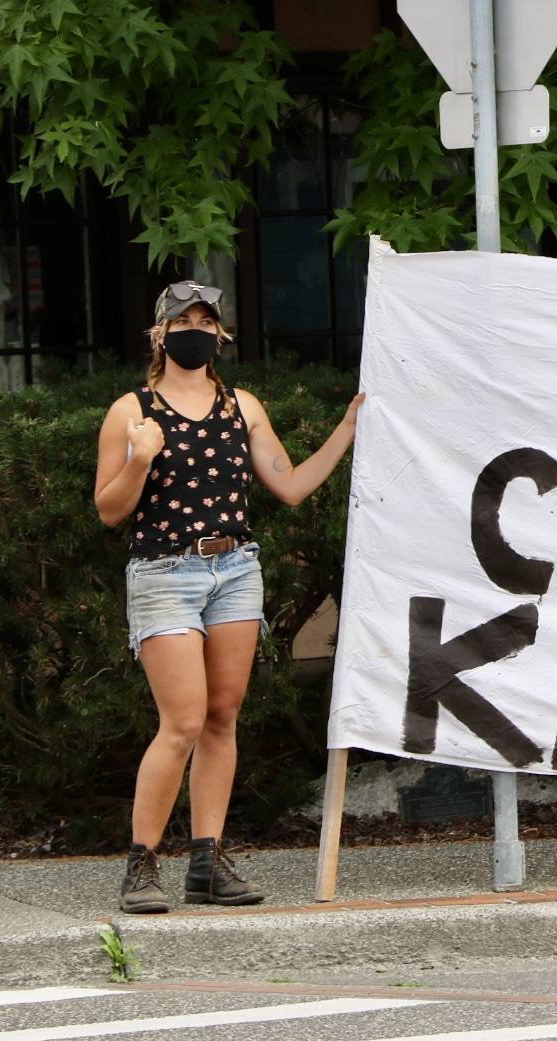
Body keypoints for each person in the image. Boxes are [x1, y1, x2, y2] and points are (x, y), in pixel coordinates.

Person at [92, 282, 362, 913]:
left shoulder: (243, 406)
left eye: (206, 321)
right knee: (183, 721)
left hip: (236, 570)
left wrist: (347, 428)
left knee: (221, 716)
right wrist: (140, 460)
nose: (196, 330)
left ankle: (207, 864)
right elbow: (109, 510)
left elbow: (289, 485)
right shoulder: (131, 411)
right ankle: (142, 865)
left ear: (221, 334)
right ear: (160, 334)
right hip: (164, 572)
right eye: (183, 321)